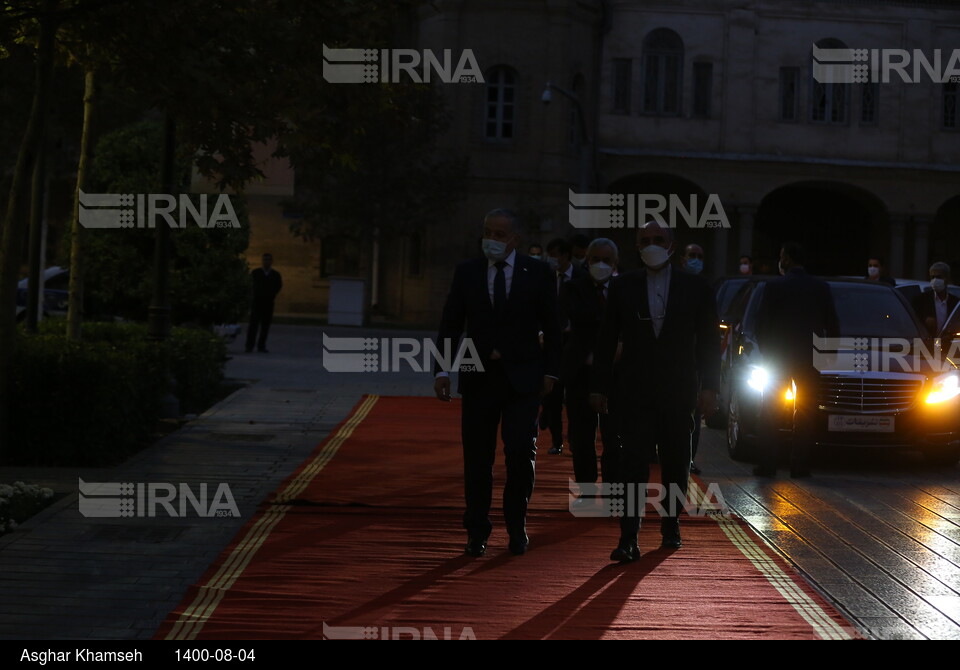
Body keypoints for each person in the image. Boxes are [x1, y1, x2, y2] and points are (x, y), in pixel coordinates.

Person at [434, 209, 561, 558]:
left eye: (500, 234)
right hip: (478, 379)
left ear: (515, 240)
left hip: (523, 380)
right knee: (477, 458)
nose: (492, 239)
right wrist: (441, 370)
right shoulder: (468, 272)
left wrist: (552, 371)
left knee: (520, 451)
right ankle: (477, 530)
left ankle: (516, 524)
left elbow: (552, 327)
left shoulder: (537, 273)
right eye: (488, 232)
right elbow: (450, 323)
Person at [590, 221, 720, 562]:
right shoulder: (624, 286)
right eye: (645, 241)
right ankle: (628, 536)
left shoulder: (696, 287)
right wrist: (599, 386)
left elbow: (709, 341)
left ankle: (670, 522)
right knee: (632, 462)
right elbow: (606, 339)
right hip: (634, 389)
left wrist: (710, 387)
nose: (652, 245)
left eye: (658, 240)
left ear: (672, 245)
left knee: (676, 460)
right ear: (636, 246)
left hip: (679, 389)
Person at [753, 242, 840, 479]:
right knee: (805, 411)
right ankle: (799, 465)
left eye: (781, 256)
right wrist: (829, 355)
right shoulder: (820, 287)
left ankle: (768, 464)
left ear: (788, 259)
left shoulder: (773, 286)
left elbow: (762, 323)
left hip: (778, 357)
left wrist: (766, 351)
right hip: (809, 357)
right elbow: (831, 323)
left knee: (770, 410)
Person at [559, 238, 622, 502]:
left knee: (614, 435)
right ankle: (586, 489)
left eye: (606, 260)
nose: (600, 265)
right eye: (595, 259)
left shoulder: (623, 289)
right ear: (586, 260)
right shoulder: (574, 287)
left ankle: (611, 491)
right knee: (582, 436)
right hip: (581, 373)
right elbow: (570, 317)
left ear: (615, 263)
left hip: (615, 374)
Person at [542, 238, 587, 454]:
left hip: (574, 343)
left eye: (556, 254)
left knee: (575, 396)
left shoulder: (581, 277)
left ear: (567, 256)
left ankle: (575, 436)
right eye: (550, 254)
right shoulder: (545, 276)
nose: (553, 259)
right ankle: (556, 440)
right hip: (551, 343)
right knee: (553, 396)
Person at [680, 243, 706, 476]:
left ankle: (688, 458)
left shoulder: (705, 288)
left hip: (693, 362)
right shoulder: (673, 285)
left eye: (699, 256)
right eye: (692, 256)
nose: (695, 260)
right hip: (670, 359)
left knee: (693, 414)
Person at [245, 253, 282, 353]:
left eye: (268, 260)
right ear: (262, 261)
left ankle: (261, 346)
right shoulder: (256, 273)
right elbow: (251, 285)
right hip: (257, 302)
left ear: (271, 261)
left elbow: (278, 286)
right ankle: (249, 346)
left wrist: (271, 294)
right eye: (265, 260)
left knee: (265, 326)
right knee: (253, 325)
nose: (266, 262)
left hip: (268, 302)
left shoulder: (275, 274)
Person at [913, 262, 959, 337]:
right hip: (927, 343)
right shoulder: (920, 300)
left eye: (939, 277)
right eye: (932, 277)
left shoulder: (955, 302)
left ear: (947, 278)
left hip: (948, 344)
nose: (935, 280)